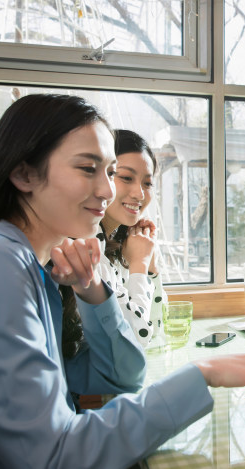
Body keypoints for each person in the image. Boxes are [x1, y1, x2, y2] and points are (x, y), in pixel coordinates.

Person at [0, 94, 245, 469]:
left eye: (110, 171)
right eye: (89, 169)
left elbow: (122, 377)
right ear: (24, 174)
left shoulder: (33, 265)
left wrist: (92, 293)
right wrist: (205, 373)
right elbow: (56, 455)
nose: (107, 190)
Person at [96, 129, 166, 349]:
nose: (139, 194)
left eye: (147, 183)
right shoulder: (90, 248)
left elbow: (155, 327)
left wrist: (151, 268)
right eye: (126, 178)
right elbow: (136, 338)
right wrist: (139, 267)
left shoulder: (121, 243)